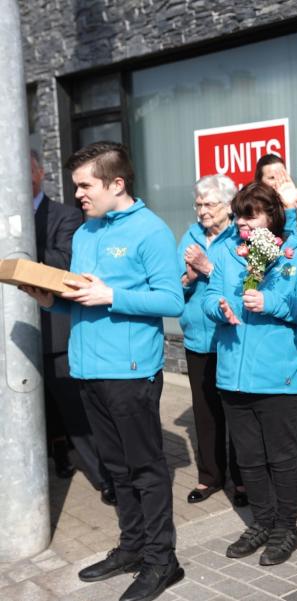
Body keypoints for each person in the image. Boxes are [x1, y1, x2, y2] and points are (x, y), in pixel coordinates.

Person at [21, 141, 185, 601]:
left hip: (131, 372)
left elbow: (172, 301)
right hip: (87, 367)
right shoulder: (88, 232)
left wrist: (113, 295)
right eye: (75, 186)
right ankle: (132, 547)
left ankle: (162, 561)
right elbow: (84, 299)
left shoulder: (150, 231)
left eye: (85, 185)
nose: (78, 195)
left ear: (117, 183)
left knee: (146, 469)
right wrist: (53, 301)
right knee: (115, 468)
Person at [202, 182, 297, 566]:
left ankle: (286, 529)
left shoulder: (295, 254)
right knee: (249, 459)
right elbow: (208, 298)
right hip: (232, 376)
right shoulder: (225, 253)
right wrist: (219, 308)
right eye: (238, 216)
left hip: (279, 378)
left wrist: (271, 302)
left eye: (249, 216)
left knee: (281, 458)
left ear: (272, 216)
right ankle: (262, 522)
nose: (242, 224)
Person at [30, 149, 115, 503]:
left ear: (38, 171)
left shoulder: (65, 216)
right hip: (17, 335)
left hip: (54, 331)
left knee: (75, 410)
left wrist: (18, 248)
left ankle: (104, 477)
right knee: (42, 411)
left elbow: (64, 263)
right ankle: (58, 456)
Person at [176, 174, 247, 507]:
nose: (202, 210)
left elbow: (244, 281)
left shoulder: (239, 236)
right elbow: (175, 284)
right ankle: (210, 477)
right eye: (199, 204)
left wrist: (208, 268)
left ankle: (243, 480)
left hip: (229, 336)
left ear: (228, 206)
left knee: (236, 412)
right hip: (197, 338)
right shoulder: (190, 236)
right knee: (205, 411)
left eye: (209, 204)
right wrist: (189, 278)